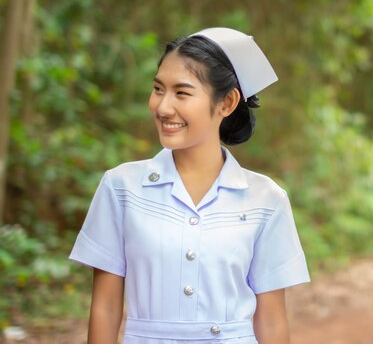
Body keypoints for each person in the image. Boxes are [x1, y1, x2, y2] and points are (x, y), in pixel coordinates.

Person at [69, 27, 310, 344]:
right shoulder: (121, 188)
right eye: (158, 89)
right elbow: (105, 307)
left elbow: (272, 321)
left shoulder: (266, 200)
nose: (163, 107)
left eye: (181, 93)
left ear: (226, 103)